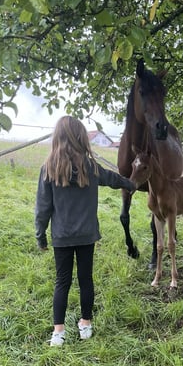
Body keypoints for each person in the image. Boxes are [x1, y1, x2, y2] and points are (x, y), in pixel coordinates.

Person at [35, 116, 136, 346]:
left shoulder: (48, 169)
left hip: (61, 236)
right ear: (82, 138)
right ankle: (85, 324)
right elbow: (112, 179)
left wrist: (40, 235)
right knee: (85, 279)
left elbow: (43, 208)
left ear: (57, 138)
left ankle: (58, 332)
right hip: (87, 235)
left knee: (62, 281)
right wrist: (130, 184)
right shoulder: (90, 167)